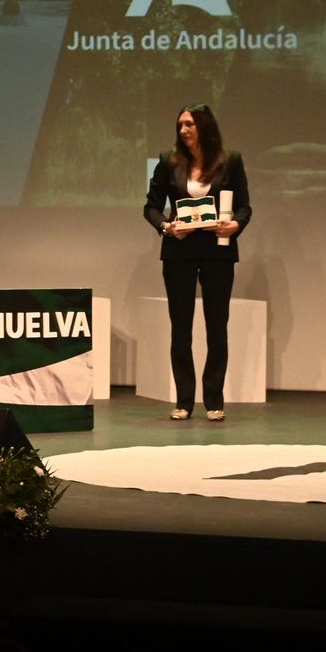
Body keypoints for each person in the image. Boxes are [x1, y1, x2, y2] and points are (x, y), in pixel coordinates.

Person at [143, 103, 251, 421]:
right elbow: (150, 206)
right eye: (180, 125)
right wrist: (166, 226)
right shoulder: (169, 161)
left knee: (217, 325)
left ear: (204, 126)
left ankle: (214, 400)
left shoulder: (230, 160)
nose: (183, 130)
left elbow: (244, 207)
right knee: (181, 326)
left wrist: (235, 225)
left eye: (189, 124)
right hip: (180, 250)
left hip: (218, 250)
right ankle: (184, 401)